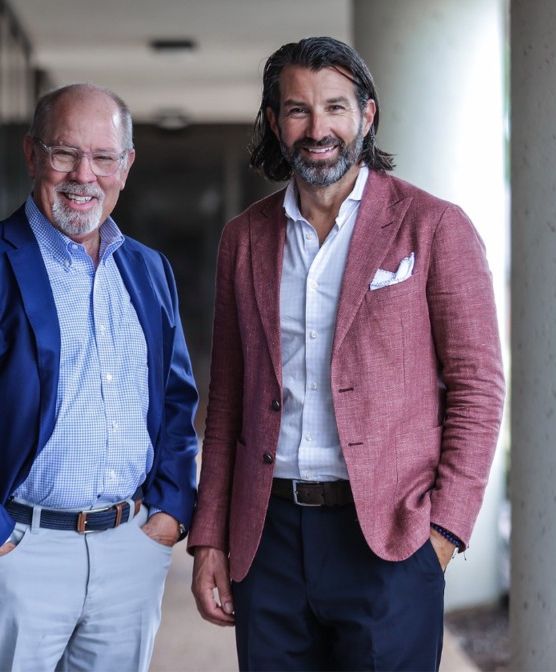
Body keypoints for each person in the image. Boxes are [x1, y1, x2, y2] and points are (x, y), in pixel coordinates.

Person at [188, 37, 505, 671]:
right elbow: (226, 400)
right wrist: (210, 540)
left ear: (367, 114)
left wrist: (442, 534)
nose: (318, 128)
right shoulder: (244, 240)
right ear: (276, 123)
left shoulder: (434, 227)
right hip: (269, 536)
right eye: (298, 110)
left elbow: (477, 387)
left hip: (389, 537)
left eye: (335, 107)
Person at [0, 83, 199, 672]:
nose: (84, 175)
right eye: (63, 153)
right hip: (19, 548)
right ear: (31, 155)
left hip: (131, 548)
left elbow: (175, 403)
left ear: (126, 166)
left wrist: (169, 513)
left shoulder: (150, 271)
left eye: (103, 157)